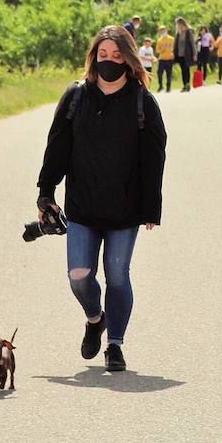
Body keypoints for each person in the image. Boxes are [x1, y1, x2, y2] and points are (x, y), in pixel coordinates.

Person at [36, 26, 168, 372]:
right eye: (102, 54)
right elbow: (57, 147)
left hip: (125, 209)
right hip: (82, 206)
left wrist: (151, 207)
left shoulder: (142, 102)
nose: (109, 61)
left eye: (116, 55)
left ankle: (115, 345)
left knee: (118, 275)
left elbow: (155, 158)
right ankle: (95, 318)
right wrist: (45, 193)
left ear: (128, 58)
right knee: (79, 276)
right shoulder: (77, 96)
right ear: (94, 56)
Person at [174, 17, 196, 93]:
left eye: (178, 24)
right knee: (183, 70)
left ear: (181, 23)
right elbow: (176, 45)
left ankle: (187, 84)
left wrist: (195, 54)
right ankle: (184, 85)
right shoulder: (178, 33)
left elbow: (193, 44)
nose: (177, 25)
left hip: (187, 54)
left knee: (186, 69)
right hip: (180, 55)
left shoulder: (188, 32)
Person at [155, 25, 175, 92]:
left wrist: (174, 54)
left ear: (166, 30)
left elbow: (175, 48)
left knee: (169, 73)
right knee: (159, 73)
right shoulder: (159, 40)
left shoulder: (172, 39)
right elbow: (157, 50)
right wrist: (162, 50)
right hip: (162, 59)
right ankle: (160, 86)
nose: (163, 31)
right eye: (161, 30)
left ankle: (168, 87)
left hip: (169, 59)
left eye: (164, 30)